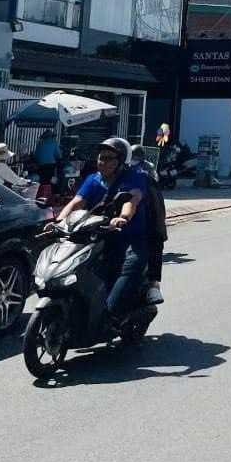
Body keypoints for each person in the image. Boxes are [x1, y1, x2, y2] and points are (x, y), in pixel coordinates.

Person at [56, 136, 150, 322]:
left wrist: (123, 218)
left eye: (108, 158)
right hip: (98, 236)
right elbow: (76, 202)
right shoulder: (93, 179)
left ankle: (112, 316)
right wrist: (58, 222)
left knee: (128, 271)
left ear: (121, 161)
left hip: (130, 239)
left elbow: (132, 200)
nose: (102, 162)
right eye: (100, 157)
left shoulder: (134, 178)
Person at [131, 145, 167, 305]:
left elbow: (152, 188)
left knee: (155, 240)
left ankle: (154, 284)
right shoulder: (119, 172)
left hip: (148, 211)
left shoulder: (147, 173)